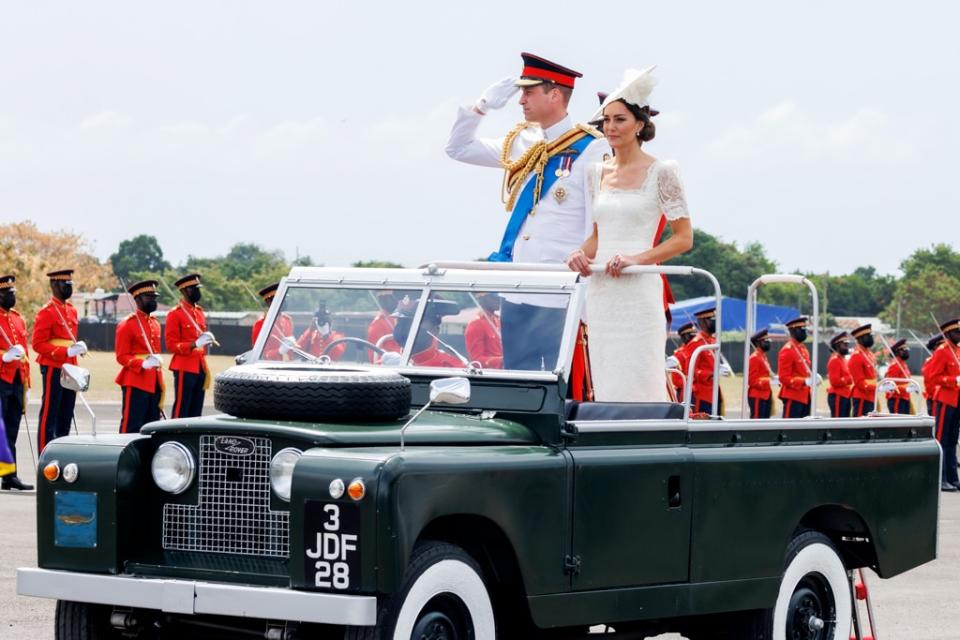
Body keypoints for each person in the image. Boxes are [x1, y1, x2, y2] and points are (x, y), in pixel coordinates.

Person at [447, 52, 609, 370]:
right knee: (517, 381)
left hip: (559, 290)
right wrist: (481, 106)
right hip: (518, 285)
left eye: (529, 91)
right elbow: (458, 148)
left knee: (558, 386)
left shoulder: (592, 148)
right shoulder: (523, 142)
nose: (521, 100)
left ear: (555, 94)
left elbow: (597, 225)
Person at [566, 67, 693, 401]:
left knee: (640, 374)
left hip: (638, 288)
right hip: (602, 289)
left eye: (619, 119)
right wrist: (581, 253)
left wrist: (637, 259)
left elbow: (683, 238)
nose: (610, 127)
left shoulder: (663, 171)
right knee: (605, 377)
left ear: (640, 124)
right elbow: (597, 235)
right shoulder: (595, 173)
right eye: (606, 120)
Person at [32, 269, 86, 452]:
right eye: (65, 284)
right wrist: (65, 351)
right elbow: (38, 344)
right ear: (54, 285)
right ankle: (44, 455)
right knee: (50, 413)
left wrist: (77, 348)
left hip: (71, 368)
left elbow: (69, 339)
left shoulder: (72, 310)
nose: (68, 287)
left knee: (66, 414)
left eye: (70, 284)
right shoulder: (47, 312)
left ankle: (61, 454)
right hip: (53, 366)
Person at [114, 280, 164, 433]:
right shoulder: (127, 324)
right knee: (132, 425)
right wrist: (142, 364)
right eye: (149, 297)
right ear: (137, 298)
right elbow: (121, 356)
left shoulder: (155, 323)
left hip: (154, 381)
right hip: (135, 381)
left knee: (152, 427)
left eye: (154, 296)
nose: (153, 300)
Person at [165, 273, 215, 419]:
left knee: (196, 410)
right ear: (185, 290)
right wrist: (194, 344)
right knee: (182, 408)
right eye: (194, 288)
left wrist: (206, 340)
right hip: (184, 367)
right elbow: (171, 345)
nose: (198, 291)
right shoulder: (175, 314)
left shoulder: (199, 312)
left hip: (200, 366)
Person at [0, 275, 32, 490]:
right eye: (7, 293)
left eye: (13, 293)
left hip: (16, 379)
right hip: (1, 377)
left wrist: (27, 382)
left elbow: (25, 352)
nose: (12, 296)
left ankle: (10, 475)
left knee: (11, 429)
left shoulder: (18, 319)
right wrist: (2, 357)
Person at [925, 318, 960, 492]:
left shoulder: (957, 351)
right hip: (946, 399)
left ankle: (953, 477)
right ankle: (942, 479)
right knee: (942, 439)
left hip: (957, 399)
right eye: (956, 332)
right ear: (947, 334)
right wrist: (953, 380)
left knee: (953, 440)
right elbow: (934, 377)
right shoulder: (942, 351)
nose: (959, 335)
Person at [393, 298, 464, 368]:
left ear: (435, 330)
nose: (406, 327)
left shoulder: (452, 367)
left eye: (417, 321)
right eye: (401, 321)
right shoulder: (386, 363)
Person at [686, 308, 722, 414]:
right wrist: (709, 374)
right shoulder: (695, 343)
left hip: (714, 393)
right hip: (702, 395)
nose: (714, 322)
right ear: (702, 321)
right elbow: (690, 370)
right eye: (711, 319)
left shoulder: (713, 341)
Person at [778, 316, 814, 418]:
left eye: (805, 330)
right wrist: (804, 381)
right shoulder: (787, 350)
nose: (804, 333)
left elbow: (805, 371)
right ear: (793, 331)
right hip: (793, 396)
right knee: (790, 429)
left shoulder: (803, 349)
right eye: (801, 330)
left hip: (805, 396)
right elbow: (784, 378)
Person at [251, 283, 294, 360]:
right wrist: (279, 351)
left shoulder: (287, 320)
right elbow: (258, 353)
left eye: (285, 298)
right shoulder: (262, 323)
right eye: (281, 299)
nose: (285, 301)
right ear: (269, 302)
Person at [464, 293, 503, 369]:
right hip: (489, 377)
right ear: (484, 298)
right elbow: (476, 361)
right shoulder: (476, 324)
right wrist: (502, 360)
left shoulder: (498, 321)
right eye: (495, 298)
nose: (499, 300)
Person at [848, 324, 878, 417]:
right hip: (862, 396)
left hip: (871, 396)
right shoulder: (857, 356)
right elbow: (860, 382)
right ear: (860, 339)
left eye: (871, 336)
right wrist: (876, 387)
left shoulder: (869, 354)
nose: (870, 338)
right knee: (860, 427)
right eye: (868, 336)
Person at [747, 329, 775, 419]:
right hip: (757, 396)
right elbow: (751, 380)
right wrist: (769, 381)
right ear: (758, 343)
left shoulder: (763, 356)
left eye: (768, 340)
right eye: (765, 340)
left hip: (766, 395)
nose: (768, 343)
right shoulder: (754, 358)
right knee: (756, 422)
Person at [826, 332, 854, 418]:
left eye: (847, 344)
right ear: (837, 346)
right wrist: (848, 379)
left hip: (845, 395)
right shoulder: (835, 360)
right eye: (844, 344)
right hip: (838, 396)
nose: (846, 346)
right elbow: (834, 381)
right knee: (838, 422)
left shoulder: (843, 359)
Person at [668, 322, 697, 402]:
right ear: (685, 337)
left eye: (695, 335)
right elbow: (676, 379)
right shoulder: (679, 354)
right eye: (691, 335)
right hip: (686, 391)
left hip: (699, 391)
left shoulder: (698, 350)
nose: (694, 338)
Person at [884, 339, 913, 415]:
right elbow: (890, 386)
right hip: (897, 399)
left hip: (904, 397)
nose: (906, 351)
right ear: (897, 351)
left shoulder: (903, 364)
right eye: (904, 350)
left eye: (906, 349)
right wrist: (905, 389)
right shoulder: (895, 365)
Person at [922, 334, 944, 416]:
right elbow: (930, 384)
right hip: (935, 399)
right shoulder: (930, 362)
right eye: (942, 344)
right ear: (935, 347)